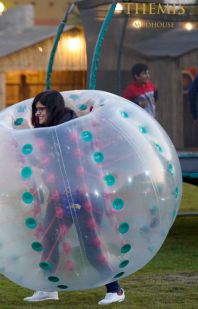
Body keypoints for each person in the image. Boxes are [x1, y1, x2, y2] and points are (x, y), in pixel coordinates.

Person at [22, 90, 125, 305]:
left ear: (53, 109)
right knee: (49, 240)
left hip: (81, 194)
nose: (37, 113)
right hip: (60, 194)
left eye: (42, 109)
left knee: (90, 245)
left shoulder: (69, 129)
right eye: (36, 109)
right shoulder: (47, 132)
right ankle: (48, 288)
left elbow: (76, 162)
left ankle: (115, 290)